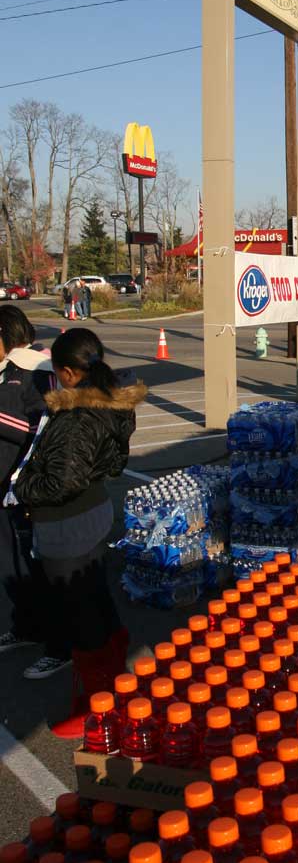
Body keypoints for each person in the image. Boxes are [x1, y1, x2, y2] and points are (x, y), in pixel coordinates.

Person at [3, 329, 145, 733]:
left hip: (67, 522)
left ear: (67, 373)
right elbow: (113, 462)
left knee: (78, 610)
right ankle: (113, 673)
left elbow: (60, 483)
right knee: (94, 594)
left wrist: (21, 487)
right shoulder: (111, 401)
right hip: (94, 509)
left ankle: (95, 706)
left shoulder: (75, 419)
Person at [0, 307, 54, 625]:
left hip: (22, 485)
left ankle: (49, 636)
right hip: (4, 484)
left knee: (31, 560)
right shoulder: (7, 369)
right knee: (8, 563)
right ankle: (24, 624)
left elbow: (40, 426)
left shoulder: (35, 369)